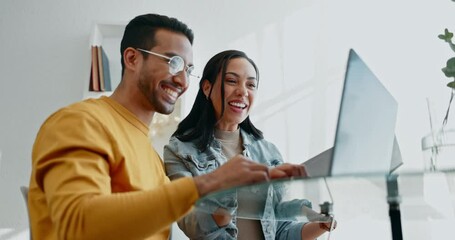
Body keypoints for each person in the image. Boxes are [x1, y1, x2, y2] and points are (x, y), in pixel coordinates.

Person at [27, 14, 304, 240]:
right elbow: (78, 225)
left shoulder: (149, 154)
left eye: (188, 69)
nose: (182, 79)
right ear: (132, 58)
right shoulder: (80, 122)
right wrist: (211, 182)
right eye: (173, 62)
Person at [164, 50, 336, 240]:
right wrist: (231, 184)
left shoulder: (268, 152)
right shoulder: (180, 150)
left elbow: (280, 231)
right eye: (232, 81)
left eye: (251, 85)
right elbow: (193, 225)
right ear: (207, 87)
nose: (243, 91)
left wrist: (320, 225)